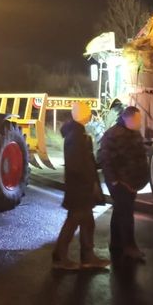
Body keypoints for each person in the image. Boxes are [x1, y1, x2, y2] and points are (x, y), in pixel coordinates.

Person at [52, 102, 111, 271]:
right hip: (80, 188)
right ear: (83, 114)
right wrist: (89, 180)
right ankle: (60, 257)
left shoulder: (77, 133)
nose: (90, 114)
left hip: (81, 187)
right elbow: (77, 165)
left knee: (87, 222)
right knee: (74, 222)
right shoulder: (76, 136)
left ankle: (87, 257)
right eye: (87, 111)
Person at [98, 106, 150, 262]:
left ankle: (116, 244)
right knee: (126, 214)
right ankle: (129, 247)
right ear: (129, 119)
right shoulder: (114, 134)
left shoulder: (133, 133)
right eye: (138, 119)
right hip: (121, 182)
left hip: (131, 181)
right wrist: (114, 180)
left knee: (120, 211)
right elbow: (105, 159)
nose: (140, 122)